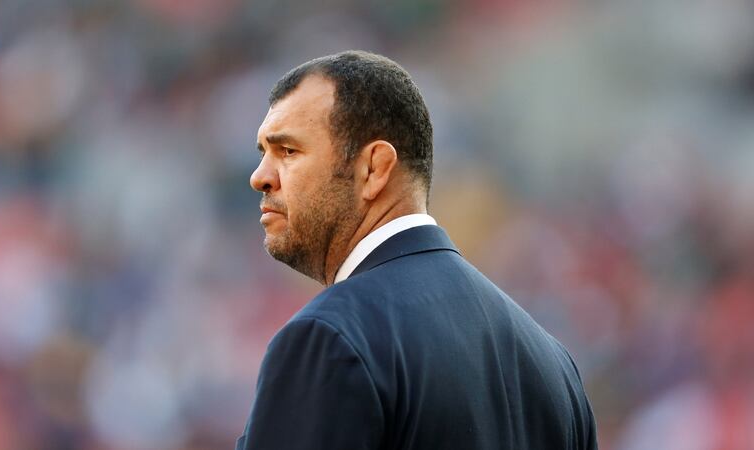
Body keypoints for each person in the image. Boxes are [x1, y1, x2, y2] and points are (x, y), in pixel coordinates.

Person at [238, 50, 598, 450]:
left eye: (288, 151)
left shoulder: (330, 335)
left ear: (374, 168)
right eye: (263, 153)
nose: (259, 177)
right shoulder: (555, 367)